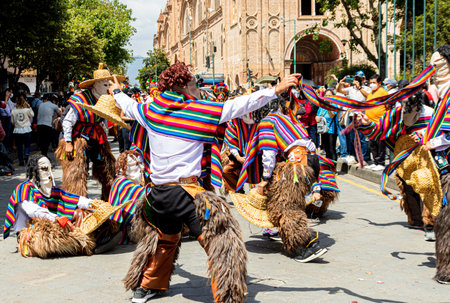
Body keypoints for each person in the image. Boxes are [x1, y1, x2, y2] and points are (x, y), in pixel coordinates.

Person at [111, 62, 299, 303]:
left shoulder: (150, 111)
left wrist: (117, 92)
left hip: (157, 197)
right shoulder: (199, 111)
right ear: (184, 86)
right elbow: (240, 104)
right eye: (194, 84)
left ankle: (147, 287)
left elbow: (128, 105)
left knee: (165, 239)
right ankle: (228, 296)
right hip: (185, 194)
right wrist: (277, 89)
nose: (198, 89)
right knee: (222, 242)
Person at [234, 98, 328, 263]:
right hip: (310, 161)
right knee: (293, 205)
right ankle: (300, 241)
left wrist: (265, 179)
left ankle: (304, 244)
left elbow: (268, 153)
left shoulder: (266, 123)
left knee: (283, 208)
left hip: (296, 165)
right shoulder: (287, 118)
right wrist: (316, 185)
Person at [2, 155, 96, 257]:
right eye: (44, 169)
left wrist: (93, 204)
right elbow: (34, 211)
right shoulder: (23, 189)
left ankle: (88, 240)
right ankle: (83, 245)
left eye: (50, 169)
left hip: (52, 225)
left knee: (79, 213)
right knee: (47, 239)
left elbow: (73, 198)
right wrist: (56, 218)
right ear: (34, 172)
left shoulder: (51, 190)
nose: (49, 173)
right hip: (32, 232)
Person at [56, 63, 118, 200]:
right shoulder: (79, 99)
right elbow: (67, 122)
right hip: (77, 137)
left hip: (96, 137)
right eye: (104, 85)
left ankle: (108, 202)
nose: (107, 88)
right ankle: (76, 205)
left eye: (108, 85)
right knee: (76, 174)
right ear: (94, 85)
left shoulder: (105, 100)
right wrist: (68, 143)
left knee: (109, 170)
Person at [365, 75, 389, 170]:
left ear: (379, 83)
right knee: (373, 143)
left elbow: (388, 106)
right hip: (370, 123)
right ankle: (375, 161)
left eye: (374, 82)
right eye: (371, 82)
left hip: (379, 122)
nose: (372, 84)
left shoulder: (383, 92)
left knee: (380, 143)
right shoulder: (371, 92)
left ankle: (380, 162)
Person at [11, 93, 34, 166]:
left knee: (19, 147)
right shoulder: (26, 110)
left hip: (18, 130)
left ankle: (21, 160)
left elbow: (12, 121)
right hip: (27, 129)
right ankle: (26, 154)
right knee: (27, 145)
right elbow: (32, 115)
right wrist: (29, 107)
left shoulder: (13, 111)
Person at [316, 89, 338, 161]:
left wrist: (329, 108)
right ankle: (328, 166)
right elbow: (317, 116)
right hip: (323, 130)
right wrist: (317, 118)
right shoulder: (322, 105)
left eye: (330, 95)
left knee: (332, 149)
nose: (328, 97)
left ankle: (333, 167)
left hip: (331, 129)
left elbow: (332, 116)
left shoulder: (334, 105)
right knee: (326, 149)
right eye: (326, 95)